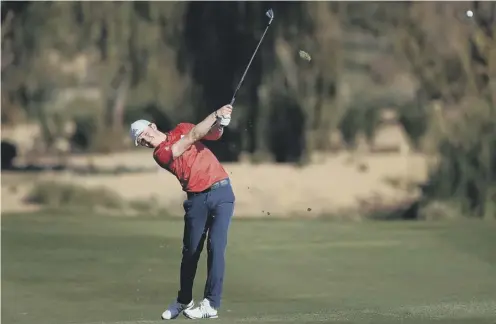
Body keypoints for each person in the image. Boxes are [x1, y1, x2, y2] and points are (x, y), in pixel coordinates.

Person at [129, 104, 235, 320]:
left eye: (145, 133)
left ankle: (211, 304)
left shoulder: (182, 127)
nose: (146, 139)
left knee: (216, 247)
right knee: (191, 252)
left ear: (153, 125)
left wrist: (221, 123)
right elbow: (192, 137)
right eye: (141, 140)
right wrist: (214, 113)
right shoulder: (160, 154)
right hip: (196, 200)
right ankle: (184, 300)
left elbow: (211, 134)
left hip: (222, 191)